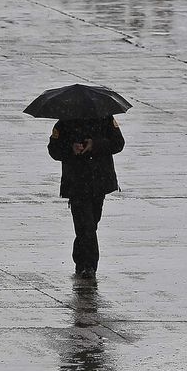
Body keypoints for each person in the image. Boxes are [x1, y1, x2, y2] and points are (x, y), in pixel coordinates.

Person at [47, 116, 125, 277]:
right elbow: (53, 149)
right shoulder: (64, 122)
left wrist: (95, 144)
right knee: (86, 225)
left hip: (99, 181)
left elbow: (118, 143)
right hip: (76, 183)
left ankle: (81, 258)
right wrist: (71, 148)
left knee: (91, 223)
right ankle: (88, 265)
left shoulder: (105, 119)